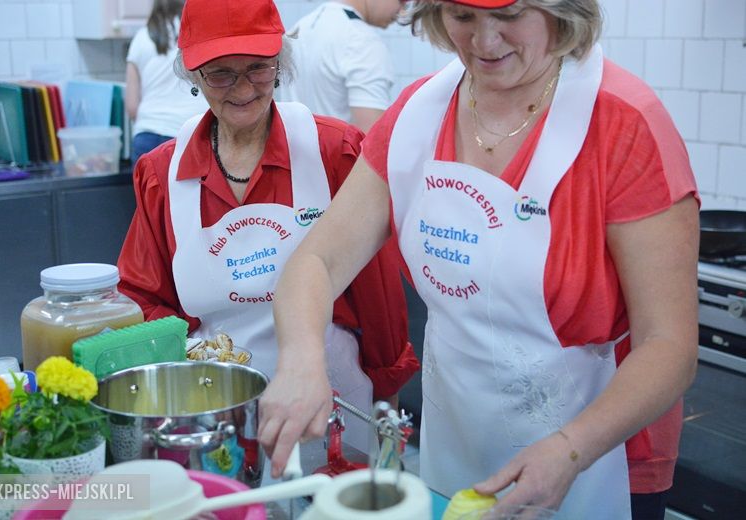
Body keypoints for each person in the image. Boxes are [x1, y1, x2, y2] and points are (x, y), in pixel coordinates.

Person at [258, 0, 700, 518]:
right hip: (456, 440)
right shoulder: (419, 114)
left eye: (510, 16)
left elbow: (668, 344)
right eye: (462, 17)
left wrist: (568, 449)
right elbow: (318, 261)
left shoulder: (625, 125)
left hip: (598, 452)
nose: (484, 42)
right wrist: (302, 360)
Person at [117, 0, 419, 455]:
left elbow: (376, 293)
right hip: (216, 411)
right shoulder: (162, 175)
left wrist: (387, 400)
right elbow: (142, 296)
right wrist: (197, 358)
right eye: (221, 73)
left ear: (280, 64)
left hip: (332, 404)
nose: (243, 89)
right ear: (193, 78)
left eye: (258, 68)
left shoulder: (333, 151)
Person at [281, 0, 403, 132]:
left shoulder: (298, 29)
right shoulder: (363, 40)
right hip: (338, 152)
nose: (402, 11)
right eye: (402, 1)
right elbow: (372, 139)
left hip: (293, 150)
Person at [125, 0, 208, 165]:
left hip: (146, 136)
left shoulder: (141, 38)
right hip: (189, 133)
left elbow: (132, 106)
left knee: (150, 191)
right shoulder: (199, 33)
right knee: (189, 192)